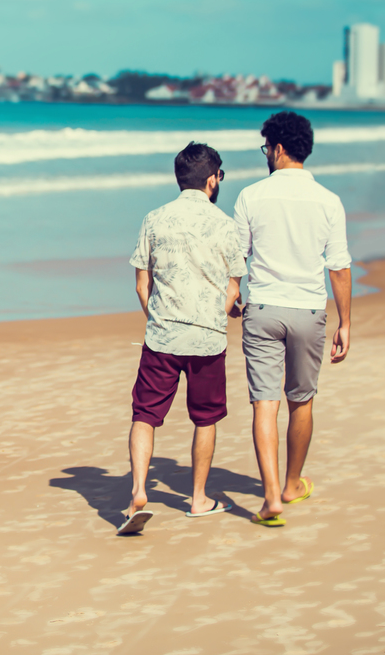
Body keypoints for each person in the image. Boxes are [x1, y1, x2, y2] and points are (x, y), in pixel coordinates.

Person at [119, 142, 246, 536]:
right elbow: (232, 291)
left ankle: (139, 490)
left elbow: (142, 284)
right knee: (205, 418)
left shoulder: (154, 219)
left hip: (162, 335)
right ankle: (198, 498)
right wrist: (221, 310)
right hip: (207, 338)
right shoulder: (226, 225)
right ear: (213, 179)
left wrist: (158, 317)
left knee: (145, 414)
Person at [233, 111, 352, 527]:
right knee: (301, 400)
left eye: (267, 147)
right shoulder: (329, 201)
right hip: (308, 310)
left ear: (279, 149)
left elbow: (237, 256)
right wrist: (346, 323)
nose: (266, 154)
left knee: (265, 404)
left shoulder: (250, 196)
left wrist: (233, 291)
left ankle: (270, 498)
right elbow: (338, 267)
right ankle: (291, 483)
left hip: (263, 308)